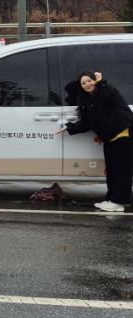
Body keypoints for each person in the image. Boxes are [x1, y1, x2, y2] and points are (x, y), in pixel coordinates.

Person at [55, 71, 133, 212]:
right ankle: (112, 199)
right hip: (110, 137)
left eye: (89, 81)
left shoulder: (106, 91)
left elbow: (109, 95)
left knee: (121, 170)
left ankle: (119, 202)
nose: (87, 84)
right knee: (112, 170)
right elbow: (87, 123)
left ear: (95, 81)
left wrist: (100, 81)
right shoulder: (89, 102)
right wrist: (70, 126)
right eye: (83, 83)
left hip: (122, 133)